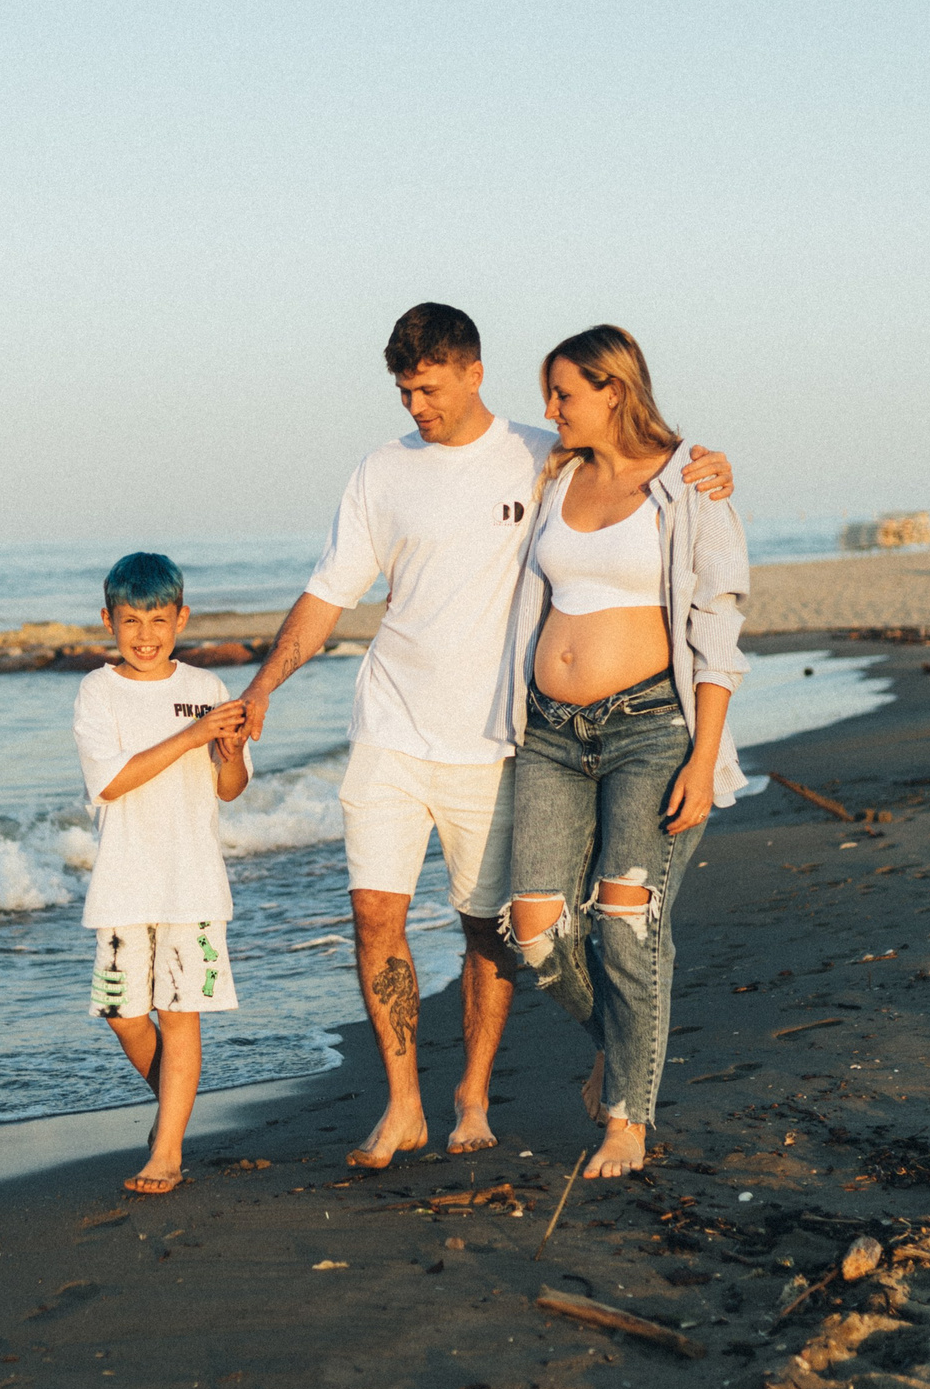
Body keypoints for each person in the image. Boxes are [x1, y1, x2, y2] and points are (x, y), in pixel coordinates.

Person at [237, 304, 734, 1169]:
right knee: (384, 917)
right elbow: (330, 592)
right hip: (408, 724)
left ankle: (495, 1095)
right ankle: (403, 1106)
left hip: (508, 736)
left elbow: (662, 493)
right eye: (404, 391)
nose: (415, 407)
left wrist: (710, 467)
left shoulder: (546, 454)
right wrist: (261, 689)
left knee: (500, 930)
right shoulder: (386, 472)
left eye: (427, 387)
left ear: (471, 372)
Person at [502, 325, 749, 1178]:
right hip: (548, 733)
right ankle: (620, 1042)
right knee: (535, 929)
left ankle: (625, 1120)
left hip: (652, 730)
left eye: (564, 393)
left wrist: (703, 760)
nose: (550, 409)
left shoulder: (689, 483)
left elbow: (718, 629)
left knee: (625, 919)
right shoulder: (555, 470)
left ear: (614, 389)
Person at [73, 551, 252, 1195]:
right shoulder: (99, 691)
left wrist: (227, 748)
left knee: (180, 1016)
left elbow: (230, 788)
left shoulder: (206, 690)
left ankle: (167, 1149)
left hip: (192, 880)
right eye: (130, 621)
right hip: (123, 882)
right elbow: (113, 782)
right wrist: (192, 737)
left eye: (157, 619)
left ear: (181, 618)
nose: (144, 635)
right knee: (124, 1016)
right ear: (108, 622)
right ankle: (175, 1107)